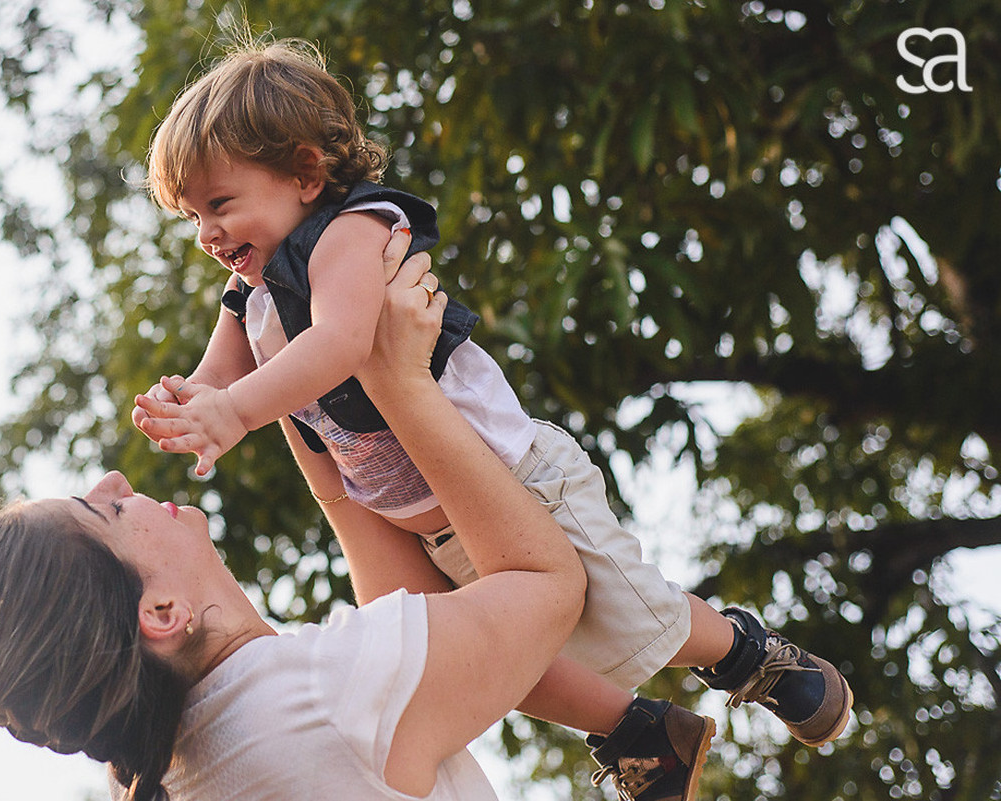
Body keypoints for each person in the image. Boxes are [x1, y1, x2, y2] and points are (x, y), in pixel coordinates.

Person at [132, 36, 852, 787]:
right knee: (491, 652)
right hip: (431, 519)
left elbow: (342, 341)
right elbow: (227, 368)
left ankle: (744, 652)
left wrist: (237, 413)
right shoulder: (251, 289)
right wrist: (194, 401)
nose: (207, 234)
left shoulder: (347, 234)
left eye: (219, 204)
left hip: (516, 478)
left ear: (305, 173)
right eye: (191, 217)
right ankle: (640, 732)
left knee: (637, 619)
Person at [0, 249, 714, 801]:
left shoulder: (205, 762)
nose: (116, 480)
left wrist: (299, 394)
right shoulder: (323, 698)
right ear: (162, 613)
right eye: (105, 510)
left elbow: (401, 604)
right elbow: (548, 587)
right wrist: (399, 380)